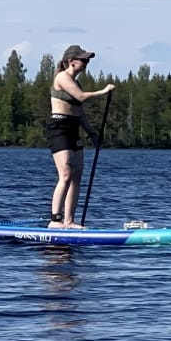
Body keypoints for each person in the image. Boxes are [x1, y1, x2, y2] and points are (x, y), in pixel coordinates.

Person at [47, 45, 116, 228]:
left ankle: (69, 221)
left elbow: (80, 112)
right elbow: (81, 97)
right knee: (66, 175)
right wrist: (103, 91)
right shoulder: (62, 78)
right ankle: (55, 221)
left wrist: (92, 134)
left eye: (87, 60)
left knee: (77, 176)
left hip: (73, 128)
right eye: (84, 60)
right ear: (71, 61)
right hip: (59, 128)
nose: (86, 63)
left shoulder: (76, 82)